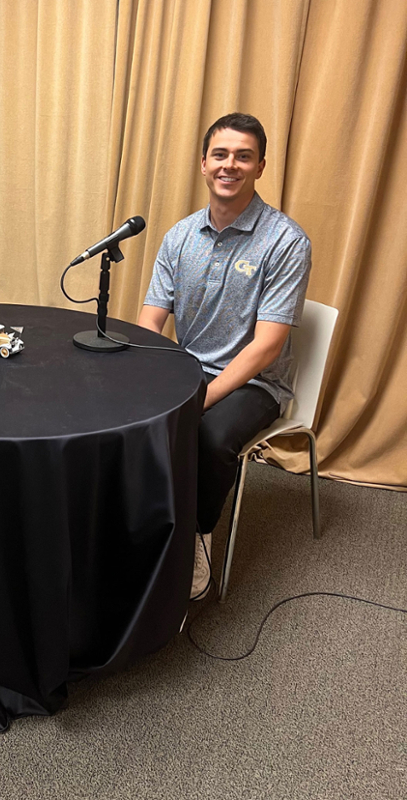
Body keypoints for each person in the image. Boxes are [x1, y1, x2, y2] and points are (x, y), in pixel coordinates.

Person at [138, 113, 311, 599]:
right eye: (220, 154)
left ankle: (196, 535)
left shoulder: (286, 241)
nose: (229, 165)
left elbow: (267, 346)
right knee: (125, 416)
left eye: (243, 156)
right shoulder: (179, 236)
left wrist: (202, 398)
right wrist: (142, 372)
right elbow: (152, 319)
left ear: (259, 166)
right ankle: (145, 525)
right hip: (187, 369)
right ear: (203, 163)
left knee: (209, 437)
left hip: (256, 383)